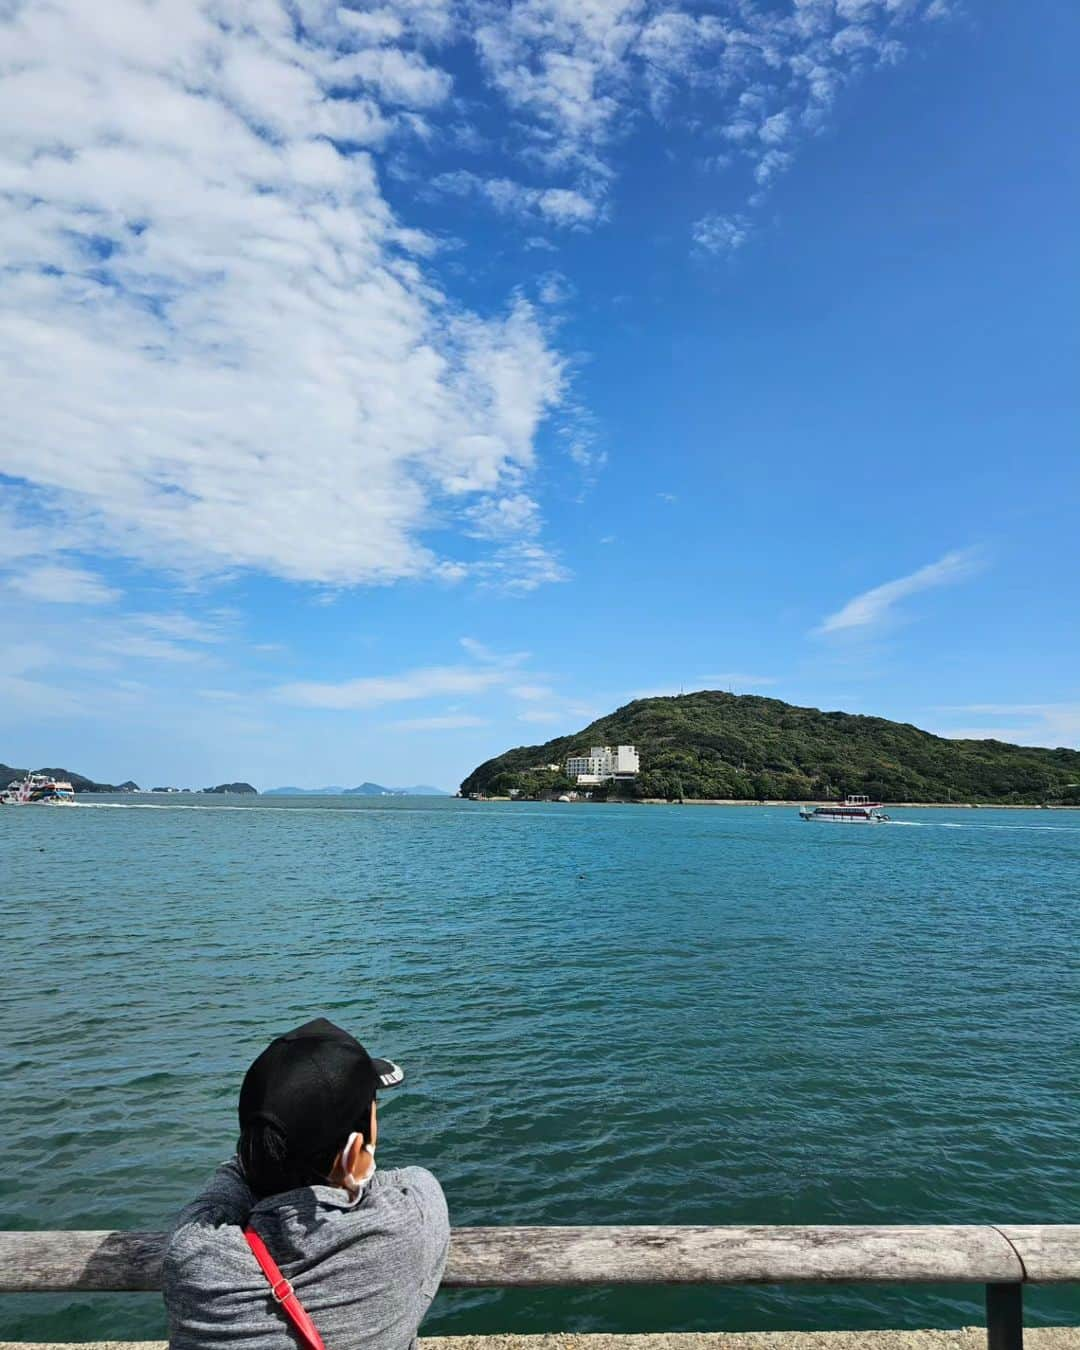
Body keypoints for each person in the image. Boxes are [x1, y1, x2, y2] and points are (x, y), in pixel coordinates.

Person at [164, 1018, 449, 1350]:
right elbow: (409, 1180)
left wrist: (272, 1155)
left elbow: (227, 1184)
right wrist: (351, 1172)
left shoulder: (193, 1257)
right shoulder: (408, 1220)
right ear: (355, 1149)